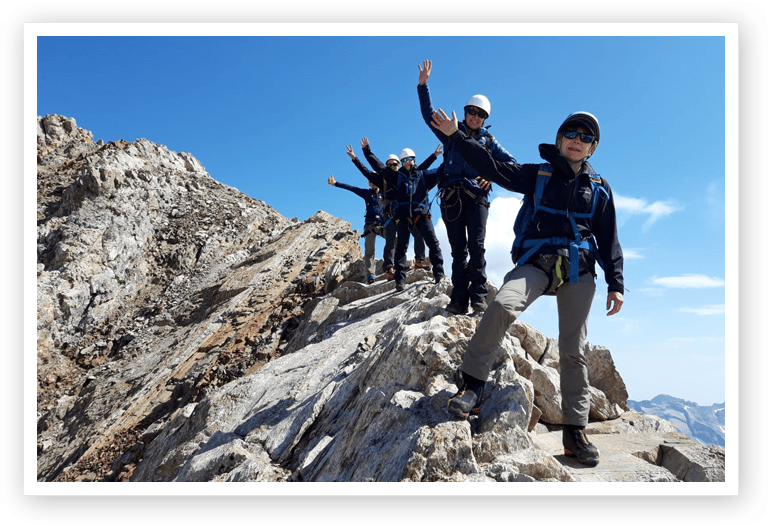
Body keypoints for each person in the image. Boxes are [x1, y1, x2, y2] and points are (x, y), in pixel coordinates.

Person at [431, 108, 625, 467]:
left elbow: (608, 235)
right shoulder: (538, 174)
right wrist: (456, 137)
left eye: (586, 137)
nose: (577, 140)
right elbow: (492, 168)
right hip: (536, 263)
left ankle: (574, 432)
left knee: (573, 349)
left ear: (592, 149)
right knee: (502, 306)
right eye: (571, 133)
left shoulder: (599, 188)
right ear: (559, 140)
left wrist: (617, 283)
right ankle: (473, 385)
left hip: (579, 270)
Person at [417, 59, 517, 315]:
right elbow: (429, 116)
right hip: (451, 197)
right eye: (472, 111)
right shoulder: (450, 132)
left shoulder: (489, 141)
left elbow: (512, 164)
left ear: (485, 119)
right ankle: (458, 300)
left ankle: (479, 299)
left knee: (477, 247)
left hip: (477, 198)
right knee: (458, 250)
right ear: (465, 112)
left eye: (481, 114)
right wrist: (423, 86)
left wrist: (492, 176)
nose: (475, 116)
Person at [347, 139, 441, 279]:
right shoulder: (384, 178)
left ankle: (419, 261)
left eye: (395, 163)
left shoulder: (404, 176)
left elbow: (419, 169)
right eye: (389, 164)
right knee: (391, 241)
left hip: (406, 212)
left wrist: (434, 156)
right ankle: (389, 268)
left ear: (399, 164)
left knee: (418, 234)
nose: (392, 165)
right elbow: (368, 170)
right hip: (390, 214)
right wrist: (357, 158)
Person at [327, 174, 387, 284]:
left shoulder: (386, 193)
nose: (373, 182)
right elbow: (352, 188)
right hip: (370, 225)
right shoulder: (367, 193)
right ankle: (370, 276)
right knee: (370, 251)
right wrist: (335, 183)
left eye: (375, 180)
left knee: (395, 240)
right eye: (371, 180)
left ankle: (391, 266)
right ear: (370, 183)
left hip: (383, 224)